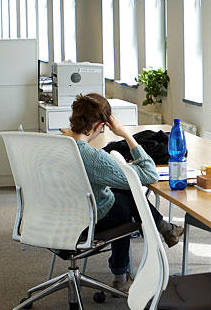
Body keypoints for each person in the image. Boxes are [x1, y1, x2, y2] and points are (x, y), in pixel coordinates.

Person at [63, 93, 183, 291]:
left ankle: (163, 231)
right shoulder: (92, 157)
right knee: (128, 198)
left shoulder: (57, 146)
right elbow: (150, 174)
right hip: (84, 222)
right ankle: (123, 274)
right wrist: (126, 134)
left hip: (57, 218)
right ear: (99, 125)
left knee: (122, 191)